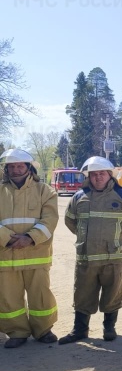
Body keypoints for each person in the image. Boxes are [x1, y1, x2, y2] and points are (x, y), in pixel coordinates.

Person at [60, 156, 122, 344]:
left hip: (113, 257)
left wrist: (120, 237)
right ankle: (80, 330)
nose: (98, 177)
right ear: (88, 177)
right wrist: (84, 237)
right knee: (82, 293)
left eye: (102, 174)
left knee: (112, 293)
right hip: (86, 257)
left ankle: (109, 328)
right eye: (94, 174)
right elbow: (70, 220)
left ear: (110, 175)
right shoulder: (79, 197)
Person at [0, 148, 59, 348]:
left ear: (28, 167)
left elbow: (50, 220)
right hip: (6, 254)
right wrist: (6, 238)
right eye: (12, 166)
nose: (16, 170)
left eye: (20, 166)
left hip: (37, 253)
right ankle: (17, 332)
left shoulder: (45, 191)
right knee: (8, 297)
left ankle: (43, 330)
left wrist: (30, 238)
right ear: (6, 169)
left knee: (40, 294)